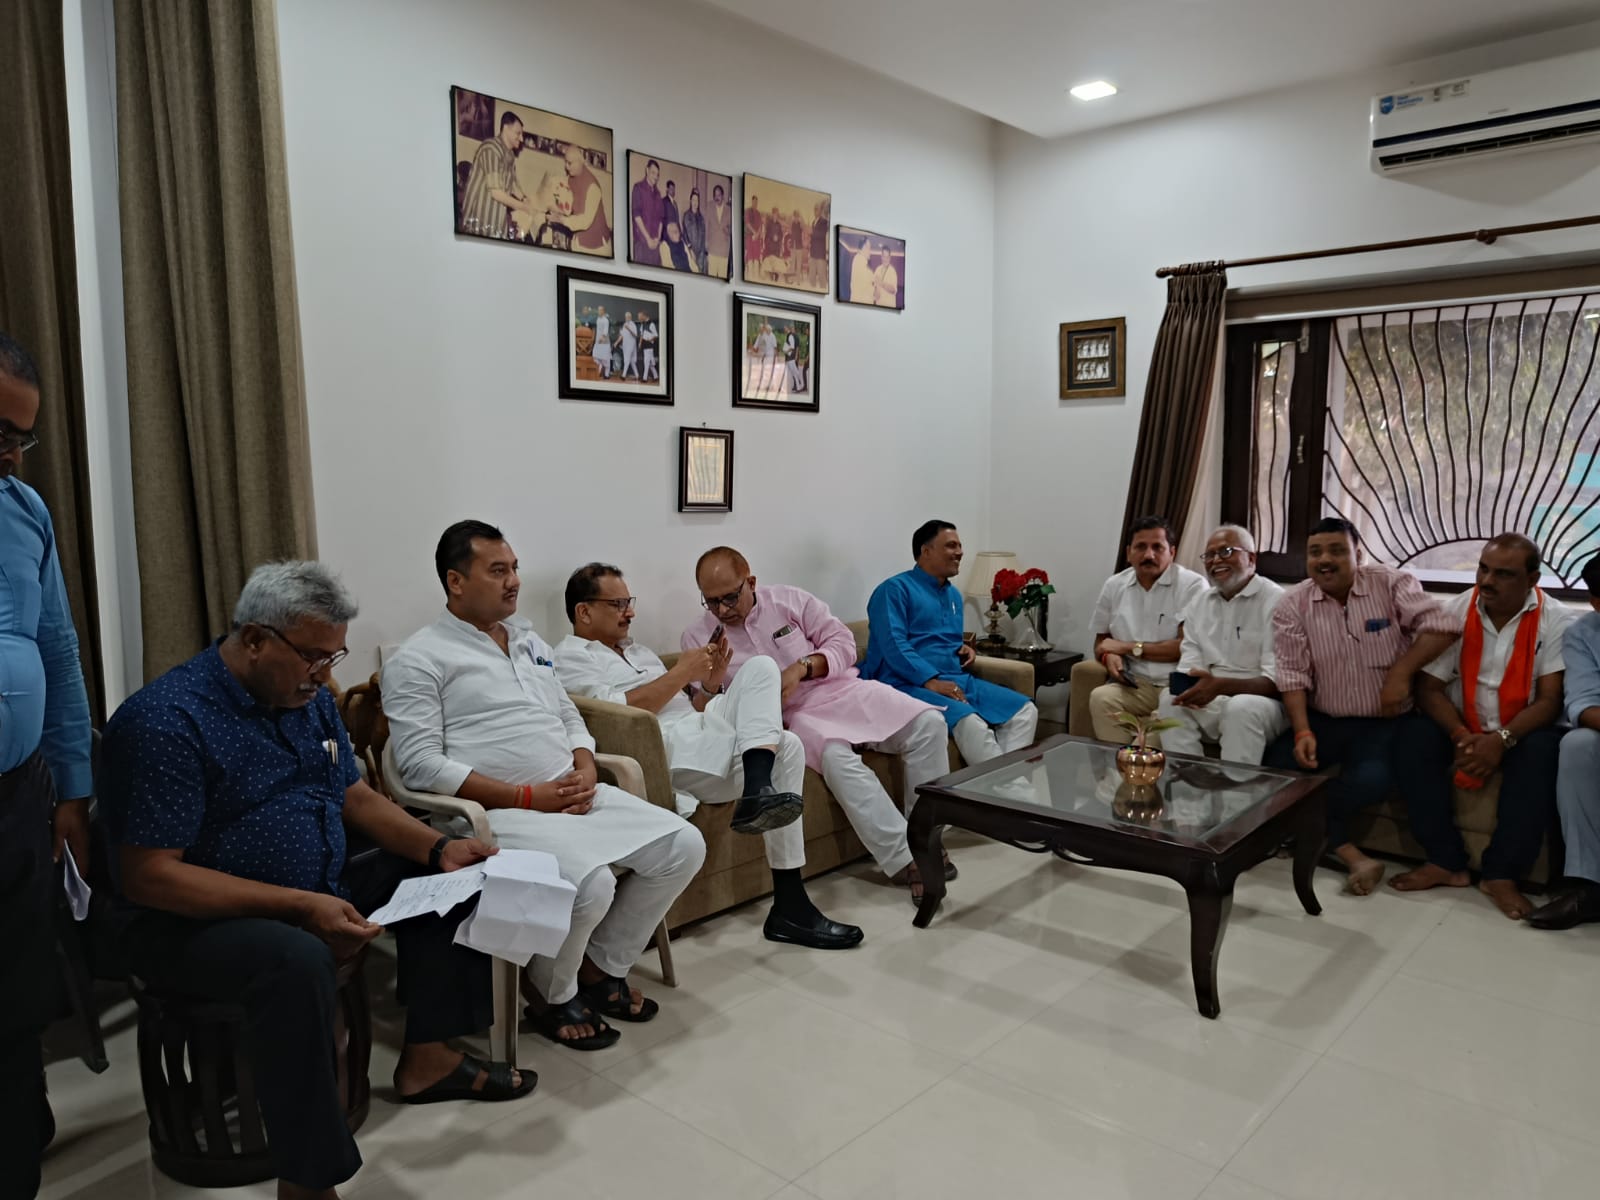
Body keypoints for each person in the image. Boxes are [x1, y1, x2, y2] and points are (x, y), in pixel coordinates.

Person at [104, 562, 532, 1200]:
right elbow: (150, 877)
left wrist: (440, 846)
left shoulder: (309, 700)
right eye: (312, 656)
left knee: (451, 877)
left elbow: (354, 797)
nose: (325, 673)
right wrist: (301, 906)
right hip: (189, 917)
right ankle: (308, 1182)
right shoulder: (166, 722)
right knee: (295, 960)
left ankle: (430, 1056)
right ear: (255, 640)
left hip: (314, 880)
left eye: (334, 656)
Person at [383, 524, 702, 1051]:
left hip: (572, 795)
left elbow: (566, 715)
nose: (514, 581)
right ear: (456, 581)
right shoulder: (420, 658)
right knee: (591, 884)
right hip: (494, 813)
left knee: (684, 845)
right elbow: (418, 766)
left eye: (514, 568)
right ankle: (553, 991)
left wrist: (584, 764)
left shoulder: (528, 641)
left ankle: (602, 965)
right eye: (498, 571)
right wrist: (527, 797)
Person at [558, 563, 863, 951]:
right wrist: (680, 672)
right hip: (663, 749)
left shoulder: (639, 651)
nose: (630, 612)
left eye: (628, 602)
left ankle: (787, 897)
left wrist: (710, 684)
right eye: (617, 604)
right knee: (785, 747)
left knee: (769, 689)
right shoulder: (570, 657)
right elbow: (619, 715)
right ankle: (785, 882)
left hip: (697, 731)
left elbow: (693, 707)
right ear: (584, 611)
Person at [684, 547, 951, 900]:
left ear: (751, 582)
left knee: (929, 723)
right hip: (794, 716)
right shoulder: (698, 637)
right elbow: (703, 710)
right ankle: (907, 858)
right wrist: (711, 685)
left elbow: (844, 643)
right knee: (836, 760)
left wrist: (803, 667)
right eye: (711, 601)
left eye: (730, 598)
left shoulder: (790, 600)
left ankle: (927, 839)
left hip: (842, 689)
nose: (722, 610)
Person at [0, 332, 94, 1200]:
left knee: (20, 982)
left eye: (20, 438)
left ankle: (20, 1141)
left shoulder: (24, 509)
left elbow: (57, 648)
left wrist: (73, 786)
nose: (10, 455)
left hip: (18, 791)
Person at [1265, 517, 1457, 895]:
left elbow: (1443, 625)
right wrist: (1302, 730)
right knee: (1274, 771)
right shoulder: (1292, 604)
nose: (1325, 560)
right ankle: (1350, 853)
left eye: (1337, 551)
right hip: (1325, 719)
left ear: (1358, 554)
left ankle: (1314, 839)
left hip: (1384, 722)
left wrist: (1401, 672)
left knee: (1369, 781)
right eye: (1315, 552)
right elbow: (1292, 673)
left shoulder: (1391, 583)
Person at [1387, 534, 1567, 919]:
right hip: (1462, 724)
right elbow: (1429, 688)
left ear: (1532, 579)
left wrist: (1501, 740)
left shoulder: (1555, 618)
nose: (1486, 581)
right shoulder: (1454, 611)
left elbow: (1550, 700)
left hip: (1522, 729)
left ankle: (1501, 874)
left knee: (1544, 751)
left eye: (1503, 574)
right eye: (1483, 569)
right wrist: (1459, 735)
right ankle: (1445, 861)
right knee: (1413, 738)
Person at [863, 521, 1039, 765]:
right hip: (905, 683)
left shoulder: (954, 595)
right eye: (951, 546)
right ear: (926, 551)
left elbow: (940, 638)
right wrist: (930, 680)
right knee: (971, 723)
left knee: (1024, 711)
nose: (960, 552)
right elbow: (894, 644)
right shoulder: (893, 590)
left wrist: (963, 648)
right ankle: (1008, 787)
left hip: (956, 679)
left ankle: (1003, 782)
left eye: (959, 546)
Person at [1155, 525, 1287, 765]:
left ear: (1251, 559)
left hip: (1262, 704)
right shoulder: (1199, 603)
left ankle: (1235, 788)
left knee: (1241, 707)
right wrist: (1191, 686)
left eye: (1226, 551)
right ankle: (1188, 782)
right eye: (1209, 555)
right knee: (1169, 699)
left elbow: (1277, 683)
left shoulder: (1276, 601)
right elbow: (1190, 664)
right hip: (1212, 697)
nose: (1216, 560)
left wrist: (1221, 686)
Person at [1087, 516, 1209, 744]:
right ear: (1128, 553)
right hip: (1136, 684)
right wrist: (1108, 656)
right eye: (1141, 547)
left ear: (1172, 552)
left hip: (1176, 686)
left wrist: (1126, 647)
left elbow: (1185, 646)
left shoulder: (1193, 585)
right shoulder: (1114, 585)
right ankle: (1116, 763)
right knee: (1100, 697)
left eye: (1157, 547)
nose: (1149, 555)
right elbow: (1102, 641)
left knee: (1144, 749)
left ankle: (1130, 763)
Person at [1528, 553, 1600, 930]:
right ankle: (1589, 885)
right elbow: (1583, 705)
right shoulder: (1583, 633)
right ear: (1597, 603)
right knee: (1576, 744)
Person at [458, 110, 527, 239]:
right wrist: (523, 207)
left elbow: (512, 184)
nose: (522, 138)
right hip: (479, 220)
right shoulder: (491, 149)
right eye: (518, 133)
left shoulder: (510, 155)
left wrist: (525, 199)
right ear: (506, 128)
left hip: (497, 221)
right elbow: (496, 192)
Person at [541, 144, 610, 254]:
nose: (566, 167)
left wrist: (562, 220)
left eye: (570, 163)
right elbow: (562, 190)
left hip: (596, 247)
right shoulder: (572, 177)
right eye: (565, 162)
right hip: (578, 239)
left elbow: (585, 221)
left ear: (580, 162)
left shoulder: (593, 187)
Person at [630, 158, 664, 265]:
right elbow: (636, 216)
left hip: (655, 245)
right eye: (653, 173)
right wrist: (648, 239)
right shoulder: (638, 188)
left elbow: (661, 219)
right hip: (642, 244)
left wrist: (658, 238)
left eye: (657, 174)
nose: (655, 177)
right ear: (647, 170)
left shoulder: (658, 194)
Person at [661, 180, 690, 272]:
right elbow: (662, 220)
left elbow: (677, 220)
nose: (673, 191)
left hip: (676, 236)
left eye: (674, 189)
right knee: (672, 260)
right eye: (671, 189)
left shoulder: (675, 203)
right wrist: (665, 237)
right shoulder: (663, 201)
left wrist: (680, 234)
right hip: (668, 237)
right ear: (667, 189)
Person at [706, 183, 732, 278]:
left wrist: (728, 230)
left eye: (719, 195)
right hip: (712, 250)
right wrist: (706, 244)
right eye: (715, 195)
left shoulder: (729, 210)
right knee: (711, 279)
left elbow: (732, 230)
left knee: (722, 279)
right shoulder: (709, 206)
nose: (717, 197)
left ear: (723, 196)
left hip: (724, 251)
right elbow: (706, 226)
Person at [683, 188, 708, 275]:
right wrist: (690, 250)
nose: (695, 202)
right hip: (690, 251)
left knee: (700, 273)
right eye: (693, 200)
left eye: (697, 200)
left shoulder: (701, 217)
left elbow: (703, 236)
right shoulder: (686, 215)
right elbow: (685, 234)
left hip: (700, 253)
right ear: (690, 201)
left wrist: (703, 252)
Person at [848, 234, 875, 303]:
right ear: (864, 247)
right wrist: (874, 286)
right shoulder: (859, 260)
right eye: (869, 248)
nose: (870, 252)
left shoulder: (861, 261)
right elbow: (864, 285)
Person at [872, 243, 899, 308]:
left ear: (890, 258)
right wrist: (875, 290)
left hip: (889, 306)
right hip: (879, 305)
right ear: (881, 256)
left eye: (887, 257)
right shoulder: (877, 269)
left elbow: (893, 290)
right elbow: (875, 288)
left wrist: (881, 283)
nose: (885, 259)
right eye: (884, 256)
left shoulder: (892, 271)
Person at [744, 193, 763, 278]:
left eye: (756, 202)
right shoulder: (748, 211)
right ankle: (750, 276)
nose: (755, 203)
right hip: (749, 237)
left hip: (756, 238)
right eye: (754, 202)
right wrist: (754, 233)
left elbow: (760, 226)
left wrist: (757, 234)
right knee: (750, 257)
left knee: (756, 257)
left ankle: (756, 277)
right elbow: (747, 223)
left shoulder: (758, 213)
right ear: (752, 202)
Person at [591, 306, 612, 379]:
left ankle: (606, 375)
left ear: (603, 311)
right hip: (598, 341)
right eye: (598, 310)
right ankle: (599, 370)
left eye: (600, 310)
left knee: (606, 358)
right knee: (595, 356)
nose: (599, 311)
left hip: (605, 342)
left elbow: (605, 330)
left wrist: (602, 338)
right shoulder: (597, 319)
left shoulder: (606, 320)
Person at [620, 311, 640, 380]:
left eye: (628, 317)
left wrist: (628, 329)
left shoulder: (633, 325)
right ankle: (637, 375)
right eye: (626, 317)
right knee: (631, 361)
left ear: (630, 317)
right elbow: (622, 335)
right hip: (625, 344)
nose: (627, 318)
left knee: (627, 359)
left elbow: (635, 335)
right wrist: (617, 342)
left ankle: (623, 375)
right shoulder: (624, 324)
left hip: (631, 344)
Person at [640, 313, 660, 382]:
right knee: (650, 363)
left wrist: (650, 339)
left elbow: (656, 335)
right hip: (645, 346)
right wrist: (640, 343)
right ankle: (656, 376)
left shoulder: (651, 324)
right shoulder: (643, 324)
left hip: (649, 346)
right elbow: (642, 335)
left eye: (641, 316)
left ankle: (644, 378)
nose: (640, 318)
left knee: (646, 362)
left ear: (644, 316)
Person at [783, 325, 802, 393]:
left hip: (791, 356)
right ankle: (799, 386)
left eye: (785, 328)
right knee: (794, 372)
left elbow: (792, 347)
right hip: (790, 356)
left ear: (787, 329)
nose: (784, 330)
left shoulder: (790, 336)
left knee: (794, 372)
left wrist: (786, 351)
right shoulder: (789, 336)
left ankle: (799, 387)